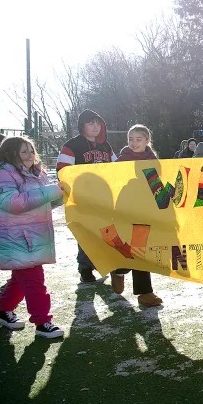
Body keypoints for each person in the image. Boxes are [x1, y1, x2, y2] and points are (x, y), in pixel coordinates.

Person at [0, 136, 65, 338]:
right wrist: (51, 191)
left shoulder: (37, 174)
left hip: (32, 237)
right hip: (17, 238)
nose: (29, 155)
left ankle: (2, 309)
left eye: (31, 151)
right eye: (23, 151)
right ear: (10, 153)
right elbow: (14, 203)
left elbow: (42, 201)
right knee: (35, 280)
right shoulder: (4, 174)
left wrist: (60, 196)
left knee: (21, 279)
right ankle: (42, 321)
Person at [57, 109, 117, 282]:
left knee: (105, 231)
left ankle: (104, 263)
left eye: (97, 122)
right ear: (82, 125)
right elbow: (62, 170)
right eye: (90, 123)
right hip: (82, 199)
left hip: (104, 199)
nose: (95, 126)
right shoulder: (72, 145)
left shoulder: (106, 146)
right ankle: (85, 268)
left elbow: (118, 167)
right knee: (86, 233)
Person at [110, 125, 163, 306]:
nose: (134, 143)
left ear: (147, 141)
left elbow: (157, 185)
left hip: (144, 210)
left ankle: (144, 293)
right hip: (125, 209)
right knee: (129, 246)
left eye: (138, 139)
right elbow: (113, 180)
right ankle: (119, 270)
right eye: (130, 139)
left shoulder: (153, 160)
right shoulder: (122, 159)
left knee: (140, 249)